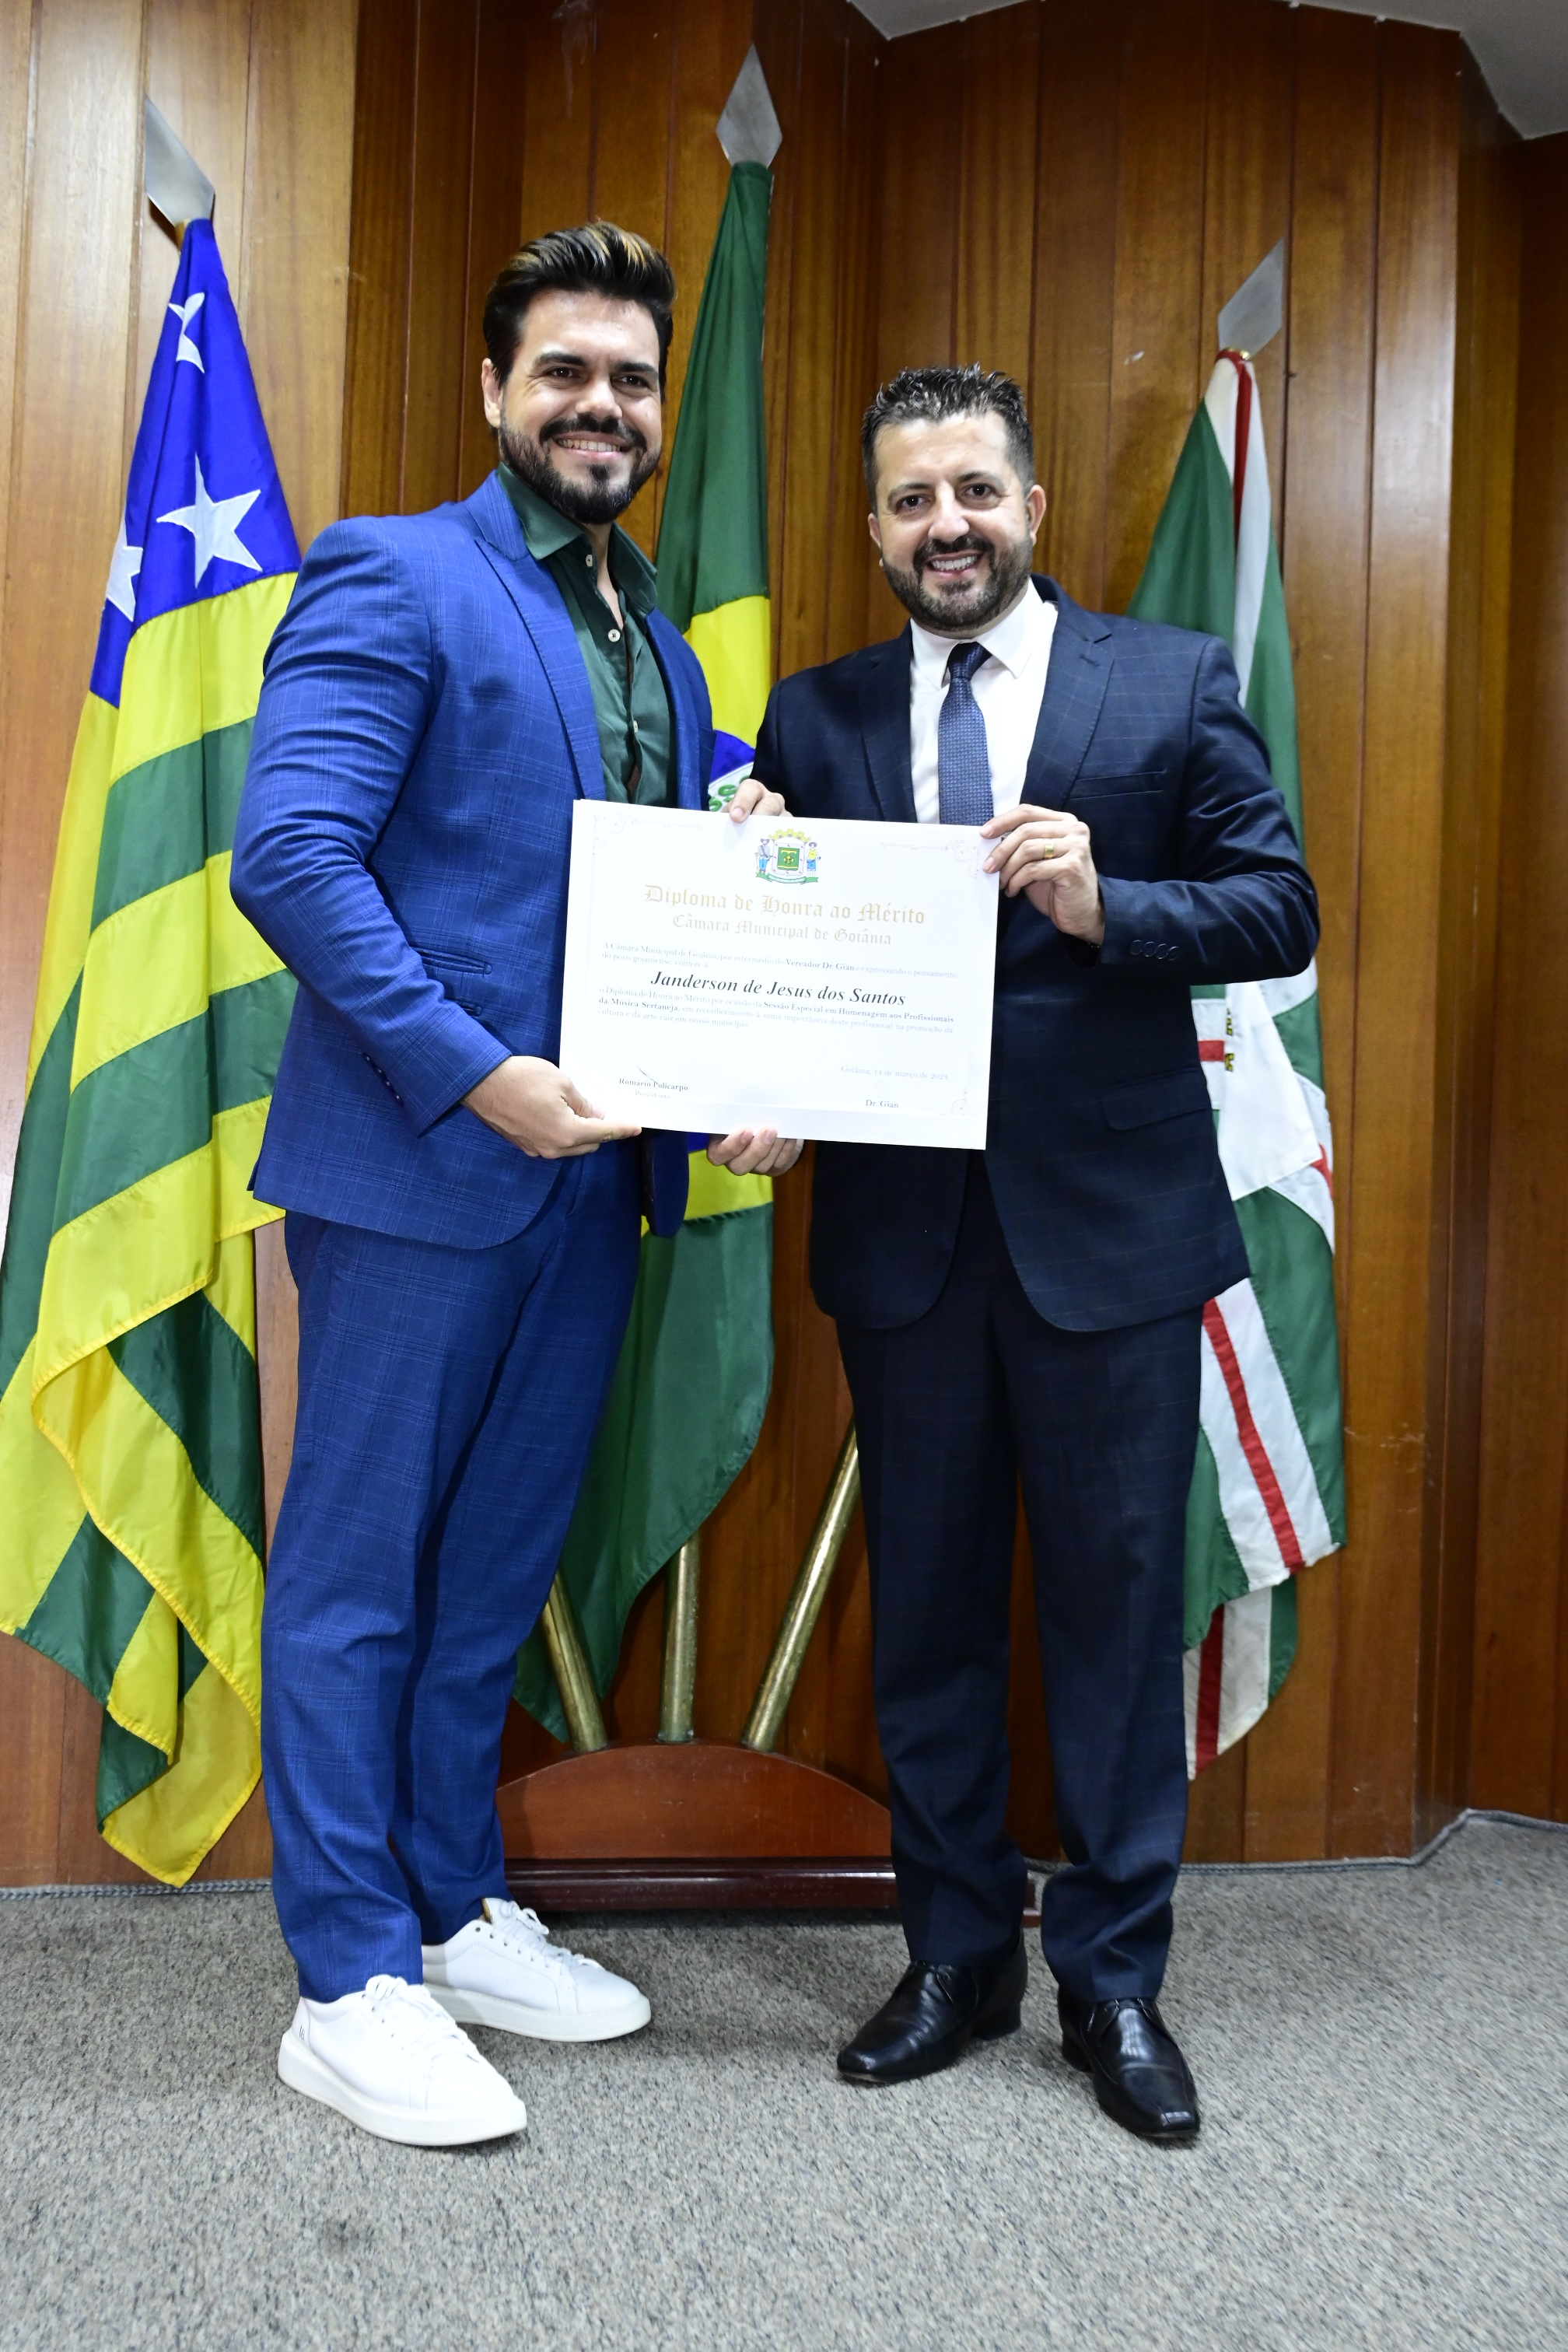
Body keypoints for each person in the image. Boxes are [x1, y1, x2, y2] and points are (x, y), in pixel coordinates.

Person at [232, 222, 800, 2149]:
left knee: (485, 1580)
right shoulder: (395, 571)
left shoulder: (665, 646)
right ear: (495, 390)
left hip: (594, 1189)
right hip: (418, 1170)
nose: (600, 405)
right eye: (564, 370)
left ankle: (447, 1908)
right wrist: (481, 1078)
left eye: (632, 378)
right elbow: (293, 858)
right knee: (356, 1581)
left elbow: (668, 915)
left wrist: (745, 983)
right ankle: (346, 1979)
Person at [750, 365, 1318, 2142]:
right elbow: (785, 957)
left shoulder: (1170, 680)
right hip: (904, 1241)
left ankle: (1116, 1982)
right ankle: (954, 1958)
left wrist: (1108, 899)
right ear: (875, 527)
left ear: (1033, 505)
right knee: (926, 1616)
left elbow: (1282, 903)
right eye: (913, 499)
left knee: (1113, 1618)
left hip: (1112, 1238)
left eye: (976, 491)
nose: (949, 526)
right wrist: (753, 979)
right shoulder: (816, 714)